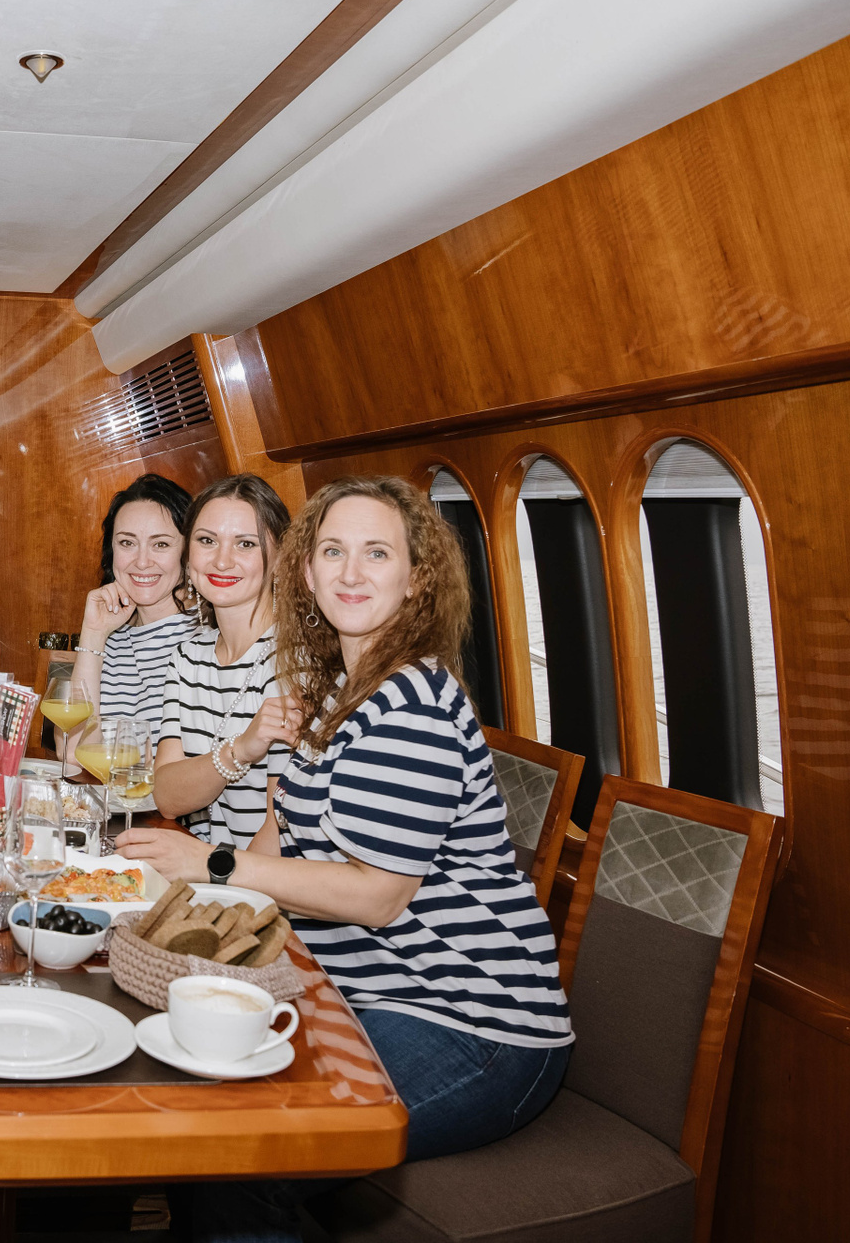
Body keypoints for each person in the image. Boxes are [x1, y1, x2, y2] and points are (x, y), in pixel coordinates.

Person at [184, 474, 572, 1243]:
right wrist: (200, 919)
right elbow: (280, 826)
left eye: (377, 553)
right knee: (205, 1105)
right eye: (333, 551)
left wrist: (209, 863)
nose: (351, 573)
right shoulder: (341, 690)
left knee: (237, 1161)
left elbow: (376, 897)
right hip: (371, 1000)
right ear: (305, 570)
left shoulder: (411, 708)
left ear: (416, 578)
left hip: (473, 1025)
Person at [122, 475, 298, 882]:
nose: (222, 561)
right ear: (189, 557)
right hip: (215, 874)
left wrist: (222, 896)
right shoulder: (189, 655)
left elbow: (278, 831)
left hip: (266, 889)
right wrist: (241, 750)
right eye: (207, 541)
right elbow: (167, 796)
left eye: (246, 544)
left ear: (282, 556)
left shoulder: (294, 663)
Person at [66, 474, 199, 740]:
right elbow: (73, 748)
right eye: (127, 543)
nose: (141, 561)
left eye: (160, 544)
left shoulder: (208, 637)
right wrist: (93, 632)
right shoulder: (109, 638)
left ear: (188, 552)